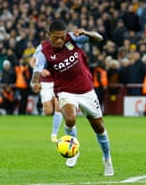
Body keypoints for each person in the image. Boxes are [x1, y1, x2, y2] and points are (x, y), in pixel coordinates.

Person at [30, 20, 114, 176]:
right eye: (56, 38)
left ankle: (107, 159)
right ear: (49, 35)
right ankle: (74, 150)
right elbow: (37, 70)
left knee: (99, 128)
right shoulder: (43, 51)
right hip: (65, 91)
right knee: (69, 119)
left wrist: (86, 33)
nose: (60, 41)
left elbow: (99, 39)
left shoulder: (72, 38)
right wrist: (35, 83)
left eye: (62, 37)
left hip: (87, 90)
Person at [30, 46, 63, 142]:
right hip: (45, 83)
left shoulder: (62, 46)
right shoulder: (41, 48)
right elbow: (32, 62)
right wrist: (40, 70)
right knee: (48, 111)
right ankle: (51, 101)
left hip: (58, 81)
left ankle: (54, 134)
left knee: (58, 106)